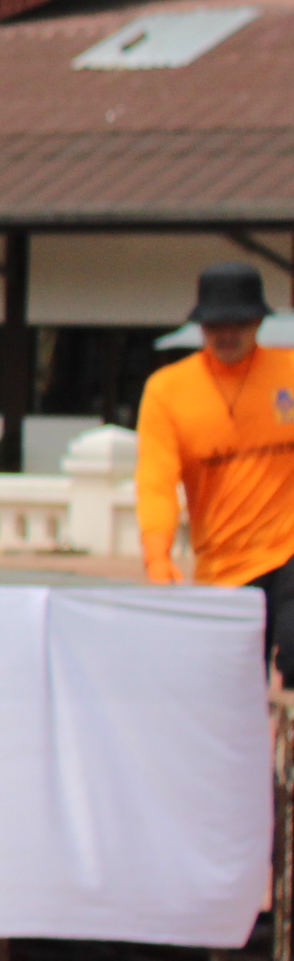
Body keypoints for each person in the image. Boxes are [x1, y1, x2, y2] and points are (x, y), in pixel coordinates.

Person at [135, 258, 294, 688]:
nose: (227, 334)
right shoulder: (168, 391)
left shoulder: (289, 374)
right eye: (214, 324)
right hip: (225, 564)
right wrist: (157, 554)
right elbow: (156, 482)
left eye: (239, 323)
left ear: (259, 322)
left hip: (288, 544)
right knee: (235, 683)